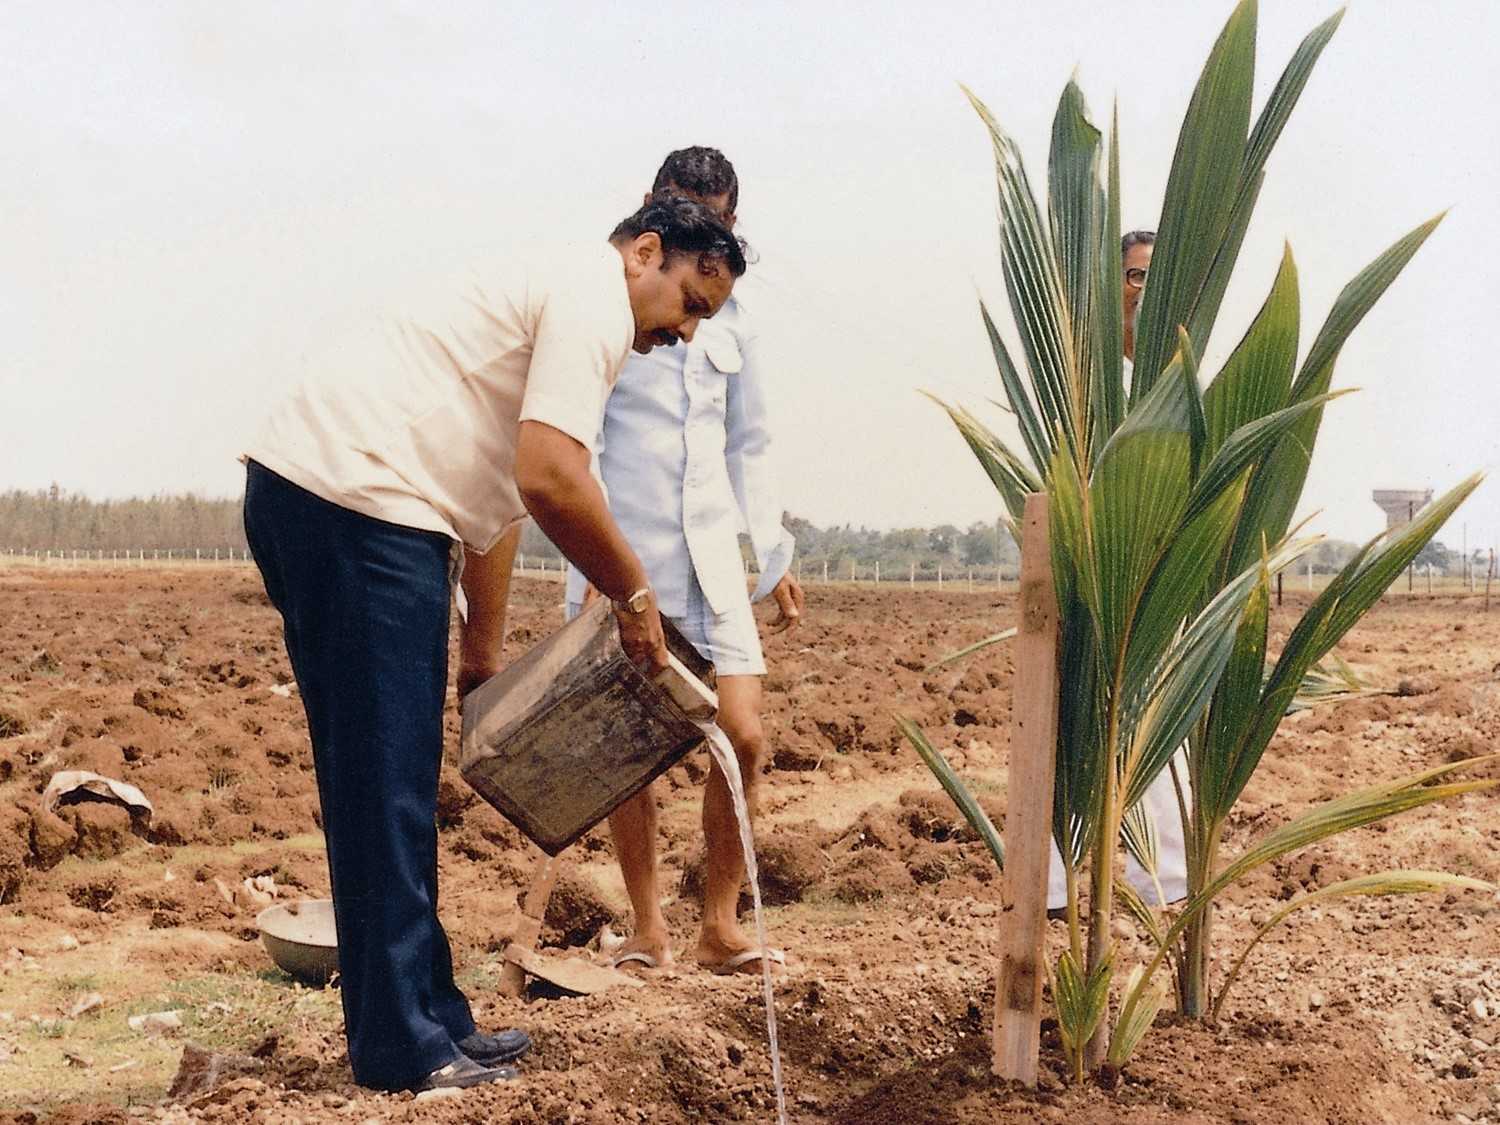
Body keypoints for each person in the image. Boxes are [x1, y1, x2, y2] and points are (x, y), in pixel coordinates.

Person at [241, 197, 746, 1092]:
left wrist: (480, 648)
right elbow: (551, 477)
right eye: (689, 306)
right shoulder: (592, 303)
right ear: (647, 251)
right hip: (356, 499)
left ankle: (431, 1016)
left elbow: (500, 506)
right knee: (381, 784)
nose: (685, 334)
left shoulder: (565, 302)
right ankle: (403, 1048)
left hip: (359, 502)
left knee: (391, 780)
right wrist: (634, 594)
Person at [564, 147, 804, 976]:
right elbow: (578, 439)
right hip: (623, 552)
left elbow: (752, 444)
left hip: (711, 559)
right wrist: (592, 568)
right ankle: (644, 928)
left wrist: (772, 554)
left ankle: (720, 924)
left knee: (742, 734)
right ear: (653, 215)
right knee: (627, 749)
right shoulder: (606, 305)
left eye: (720, 218)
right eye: (686, 209)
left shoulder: (734, 319)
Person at [1047, 227, 1189, 911]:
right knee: (1066, 723)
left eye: (1157, 279)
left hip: (1159, 575)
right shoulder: (1084, 383)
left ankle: (1161, 887)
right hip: (1088, 572)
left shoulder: (1185, 383)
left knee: (1161, 726)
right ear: (1112, 290)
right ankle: (1053, 890)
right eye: (1134, 277)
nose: (1145, 292)